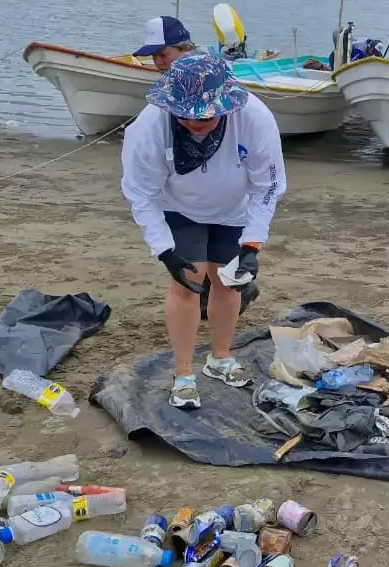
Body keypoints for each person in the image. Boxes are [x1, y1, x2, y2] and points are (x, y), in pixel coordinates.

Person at [121, 53, 287, 409]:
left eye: (208, 115)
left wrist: (252, 244)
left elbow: (267, 187)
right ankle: (183, 373)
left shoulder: (255, 118)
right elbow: (141, 194)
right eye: (185, 115)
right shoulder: (149, 126)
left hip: (233, 210)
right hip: (179, 207)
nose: (196, 122)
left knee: (229, 280)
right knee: (187, 280)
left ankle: (220, 358)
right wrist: (165, 250)